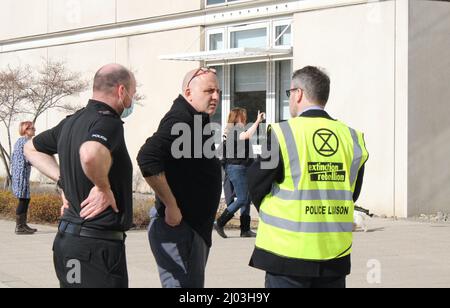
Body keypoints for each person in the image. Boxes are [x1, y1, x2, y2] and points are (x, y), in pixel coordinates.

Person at [248, 66, 369, 288]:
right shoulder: (351, 137)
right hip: (334, 256)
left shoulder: (283, 133)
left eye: (289, 93)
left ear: (298, 93)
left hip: (287, 256)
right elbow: (352, 191)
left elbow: (255, 184)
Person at [24, 64, 136, 288]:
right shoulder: (109, 122)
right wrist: (102, 187)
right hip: (95, 249)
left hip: (69, 244)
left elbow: (30, 148)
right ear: (121, 91)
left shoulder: (71, 122)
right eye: (133, 93)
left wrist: (63, 181)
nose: (132, 101)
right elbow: (90, 154)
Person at [137, 67, 222, 288]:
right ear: (189, 92)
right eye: (209, 90)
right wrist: (171, 205)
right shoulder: (181, 118)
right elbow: (147, 157)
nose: (216, 96)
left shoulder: (198, 118)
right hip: (180, 228)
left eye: (218, 91)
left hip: (193, 229)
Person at [214, 108, 265, 238]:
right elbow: (247, 136)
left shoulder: (233, 130)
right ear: (237, 118)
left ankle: (245, 229)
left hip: (243, 167)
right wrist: (258, 121)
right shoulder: (234, 131)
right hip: (236, 168)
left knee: (246, 199)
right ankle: (220, 222)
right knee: (242, 199)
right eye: (243, 117)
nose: (245, 119)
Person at [11, 121, 38, 235]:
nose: (35, 129)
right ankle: (19, 227)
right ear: (26, 129)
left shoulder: (21, 141)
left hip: (21, 174)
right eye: (32, 128)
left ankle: (23, 225)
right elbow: (28, 159)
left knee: (25, 199)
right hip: (21, 174)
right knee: (23, 200)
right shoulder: (25, 142)